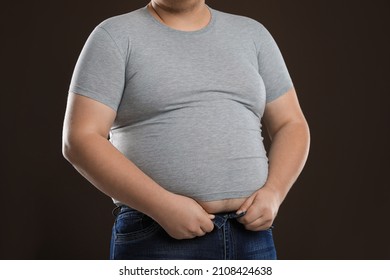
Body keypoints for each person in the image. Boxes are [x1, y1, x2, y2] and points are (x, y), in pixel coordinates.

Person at [62, 0, 310, 260]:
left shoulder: (253, 34)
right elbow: (80, 139)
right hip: (156, 233)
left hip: (250, 236)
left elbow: (290, 124)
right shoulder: (114, 36)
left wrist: (274, 193)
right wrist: (162, 206)